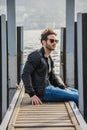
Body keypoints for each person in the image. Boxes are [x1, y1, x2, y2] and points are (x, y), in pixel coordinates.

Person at [22, 28, 78, 105]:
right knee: (77, 97)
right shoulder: (36, 55)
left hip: (49, 88)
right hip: (43, 91)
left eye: (56, 41)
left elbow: (52, 77)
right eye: (52, 41)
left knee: (80, 94)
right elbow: (25, 74)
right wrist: (32, 94)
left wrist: (63, 87)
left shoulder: (49, 58)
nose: (54, 43)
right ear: (44, 42)